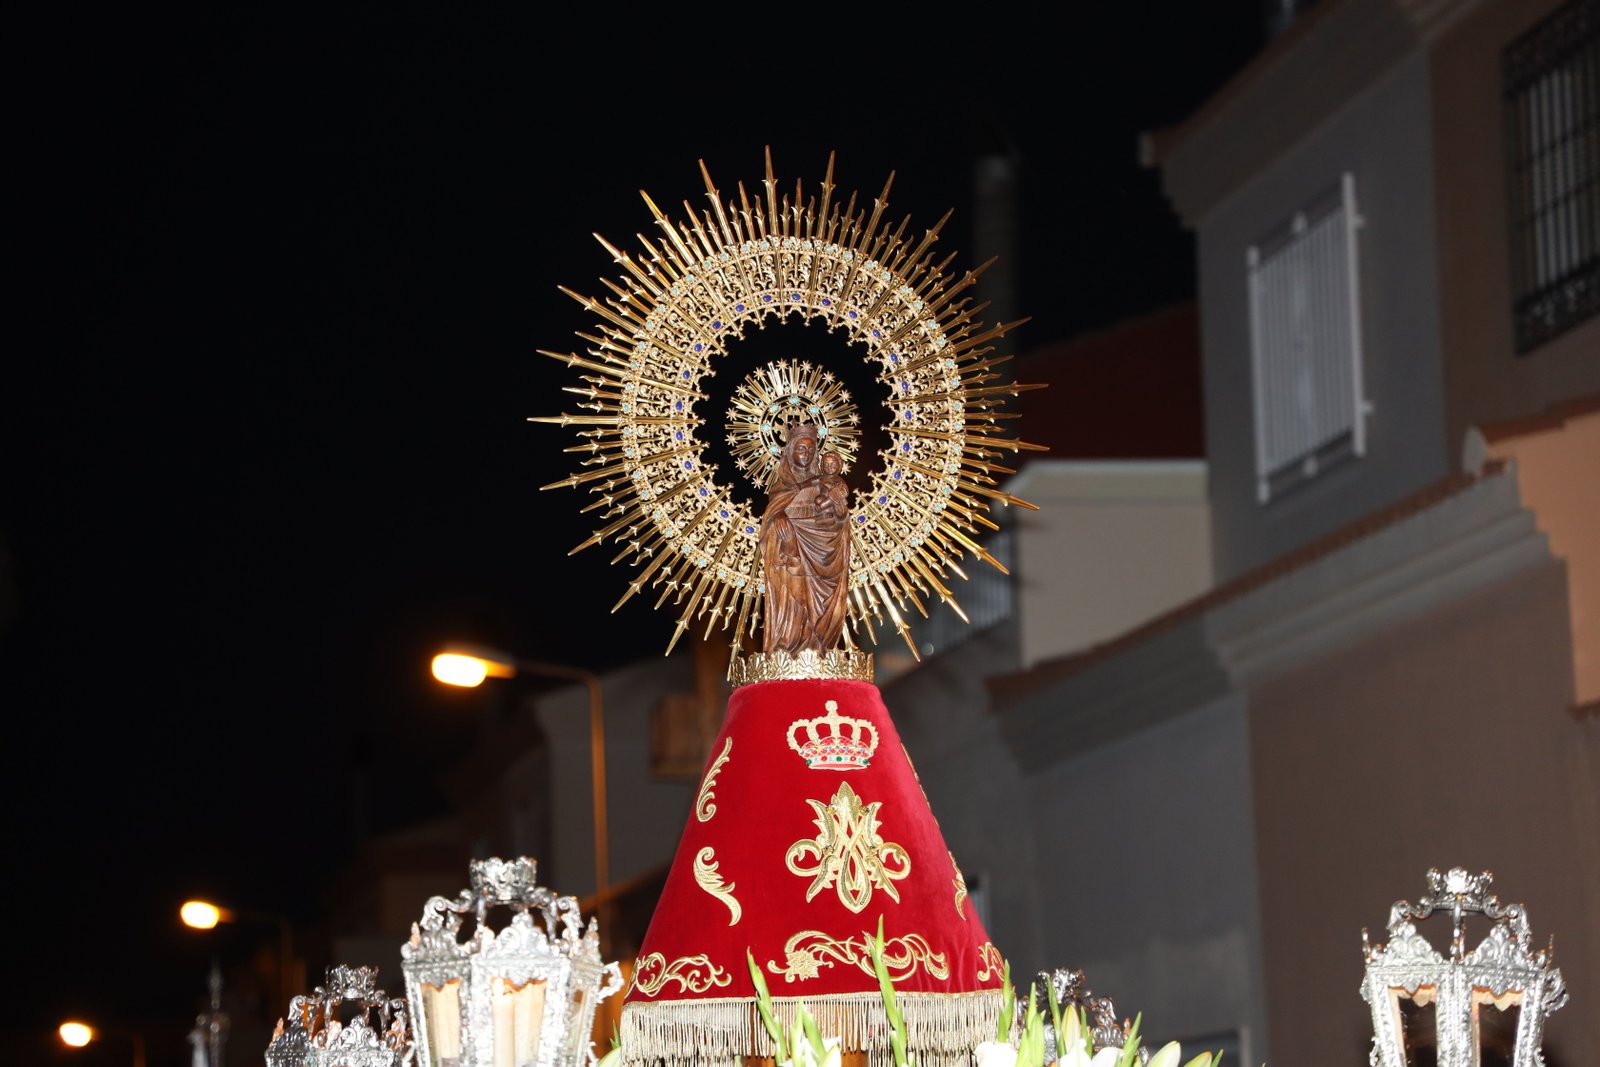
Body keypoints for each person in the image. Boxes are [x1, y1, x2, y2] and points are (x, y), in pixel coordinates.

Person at [760, 424, 851, 654]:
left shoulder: (824, 481)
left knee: (822, 611)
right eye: (801, 449)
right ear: (790, 451)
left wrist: (838, 517)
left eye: (811, 451)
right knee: (793, 597)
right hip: (793, 554)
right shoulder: (782, 486)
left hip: (824, 554)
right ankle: (789, 642)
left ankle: (819, 643)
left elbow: (841, 518)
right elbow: (771, 516)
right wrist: (779, 519)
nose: (806, 455)